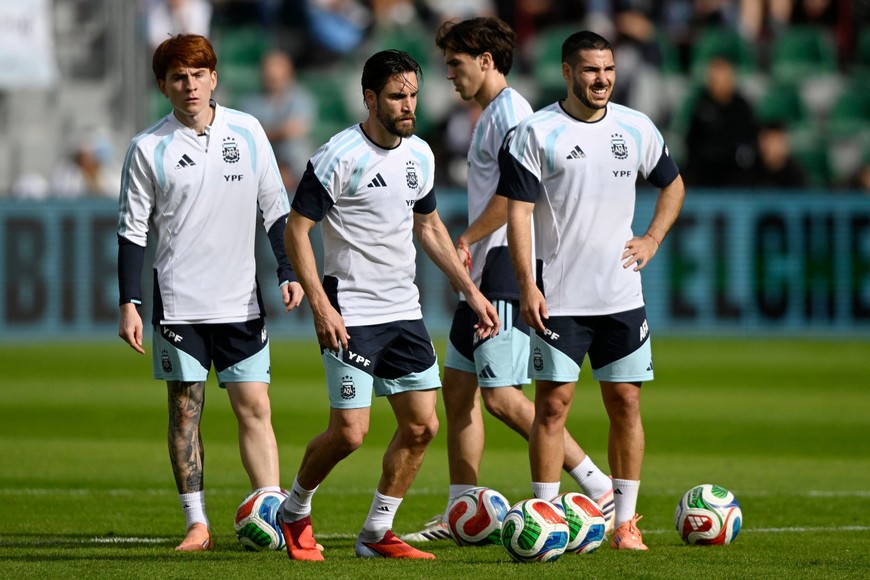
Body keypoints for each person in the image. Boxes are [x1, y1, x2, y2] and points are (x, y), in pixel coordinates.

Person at [277, 49, 499, 561]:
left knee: (423, 426)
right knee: (350, 433)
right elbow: (297, 229)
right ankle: (294, 510)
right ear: (370, 98)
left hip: (404, 311)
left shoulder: (420, 153)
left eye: (414, 95)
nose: (409, 105)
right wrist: (319, 303)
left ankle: (377, 533)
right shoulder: (337, 156)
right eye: (398, 97)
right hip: (350, 311)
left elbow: (428, 227)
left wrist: (471, 290)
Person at [401, 16, 614, 544]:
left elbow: (519, 194)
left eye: (455, 63)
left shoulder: (512, 115)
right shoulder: (493, 113)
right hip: (479, 272)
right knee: (457, 390)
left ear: (486, 61)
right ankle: (463, 511)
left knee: (500, 397)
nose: (448, 74)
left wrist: (467, 238)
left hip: (499, 268)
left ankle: (598, 485)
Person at [116, 34, 304, 552]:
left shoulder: (247, 130)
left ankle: (268, 509)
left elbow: (276, 209)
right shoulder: (147, 147)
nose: (190, 85)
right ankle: (197, 524)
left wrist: (288, 270)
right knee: (185, 412)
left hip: (241, 300)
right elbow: (133, 230)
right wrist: (128, 301)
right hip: (179, 304)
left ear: (214, 78)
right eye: (178, 77)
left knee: (255, 408)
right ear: (163, 86)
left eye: (199, 75)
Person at [499, 31, 685, 551]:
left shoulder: (636, 126)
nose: (600, 78)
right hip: (558, 296)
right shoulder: (535, 133)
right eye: (589, 70)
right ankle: (547, 515)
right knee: (552, 406)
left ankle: (625, 523)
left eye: (607, 69)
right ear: (567, 72)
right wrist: (526, 284)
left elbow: (672, 184)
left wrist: (651, 237)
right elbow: (517, 214)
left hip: (621, 297)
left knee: (625, 402)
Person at [239, 50, 317, 191]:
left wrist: (267, 132)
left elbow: (295, 129)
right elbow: (249, 136)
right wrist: (279, 132)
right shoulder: (251, 101)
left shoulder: (301, 97)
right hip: (261, 165)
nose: (272, 75)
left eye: (277, 72)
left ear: (288, 73)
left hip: (295, 166)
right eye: (268, 71)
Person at [684, 54, 758, 188]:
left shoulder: (742, 107)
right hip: (705, 176)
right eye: (714, 76)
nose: (717, 80)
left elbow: (750, 143)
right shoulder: (701, 105)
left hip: (736, 177)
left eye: (722, 75)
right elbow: (692, 144)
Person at [748, 120, 807, 189]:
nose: (774, 147)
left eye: (778, 141)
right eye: (770, 140)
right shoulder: (750, 170)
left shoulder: (796, 175)